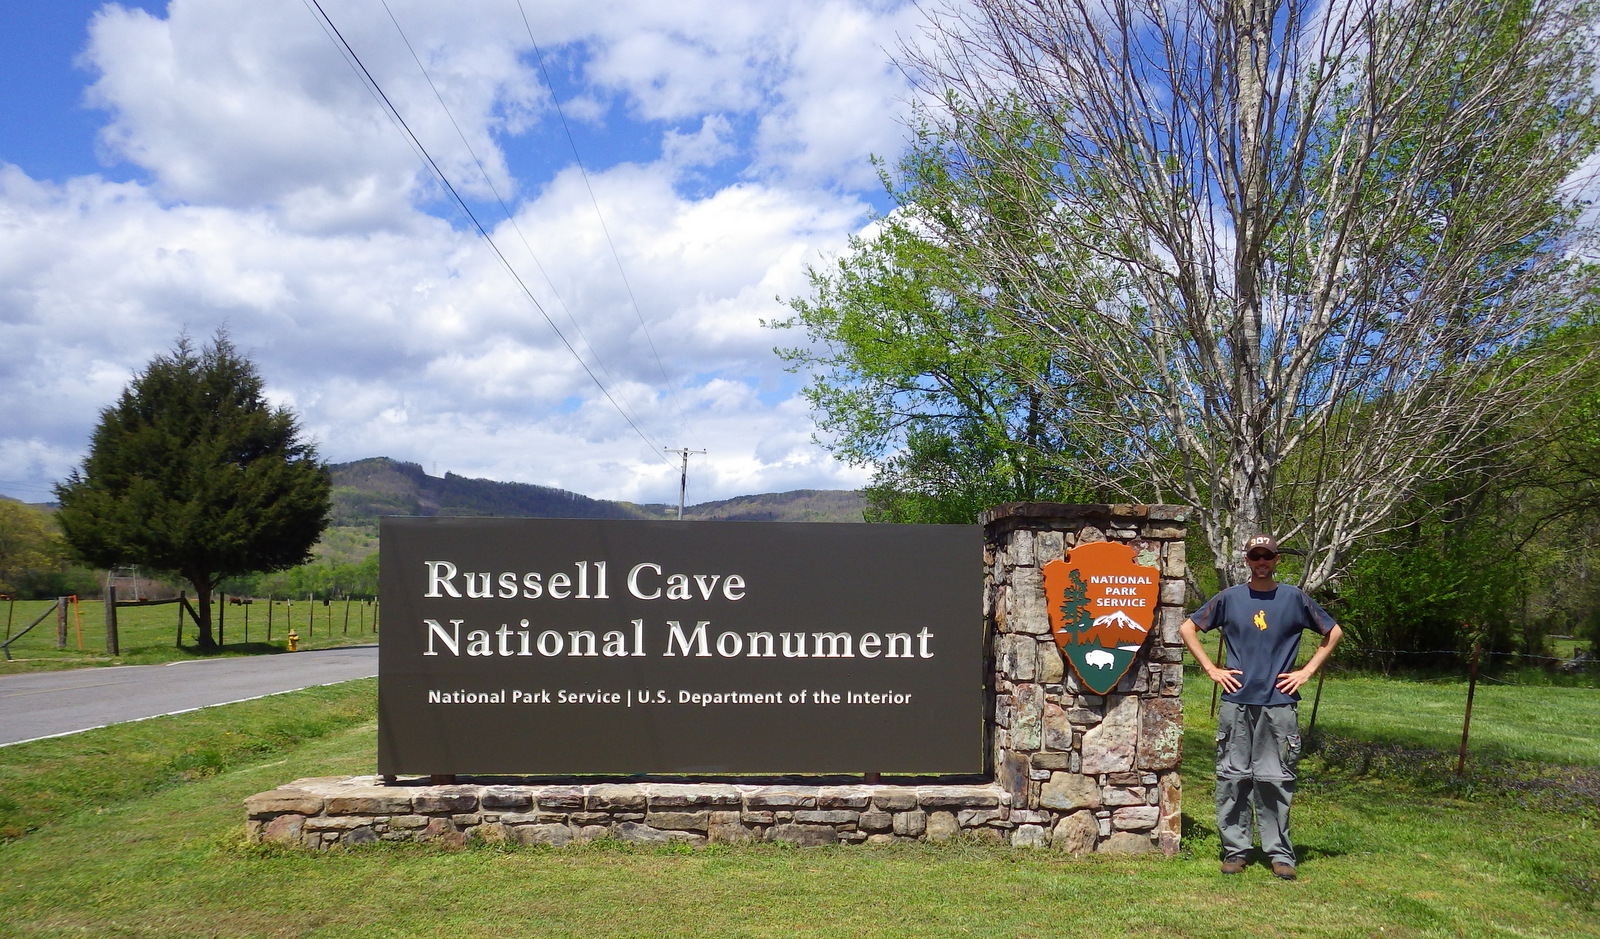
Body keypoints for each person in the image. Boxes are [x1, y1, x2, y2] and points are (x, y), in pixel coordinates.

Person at [1179, 534, 1342, 881]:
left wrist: (1307, 671)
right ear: (1247, 561)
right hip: (1236, 701)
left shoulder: (1294, 598)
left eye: (1267, 556)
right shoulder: (1230, 598)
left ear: (1276, 560)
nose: (1261, 562)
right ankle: (1236, 850)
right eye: (1256, 556)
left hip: (1279, 703)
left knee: (1275, 778)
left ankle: (1280, 854)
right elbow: (1187, 628)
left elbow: (1333, 632)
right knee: (1233, 777)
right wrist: (1211, 669)